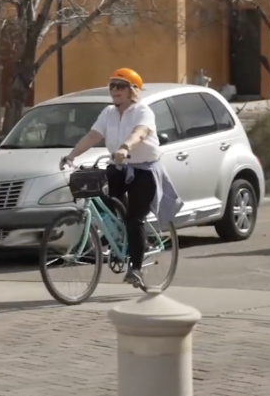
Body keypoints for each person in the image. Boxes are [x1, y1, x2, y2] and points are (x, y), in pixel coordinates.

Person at [59, 68, 183, 288]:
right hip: (118, 167)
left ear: (132, 90)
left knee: (135, 218)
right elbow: (92, 136)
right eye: (112, 86)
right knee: (105, 201)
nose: (115, 90)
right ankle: (120, 236)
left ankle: (136, 268)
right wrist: (71, 155)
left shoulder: (142, 111)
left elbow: (140, 133)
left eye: (120, 86)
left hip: (144, 169)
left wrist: (126, 147)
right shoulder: (108, 112)